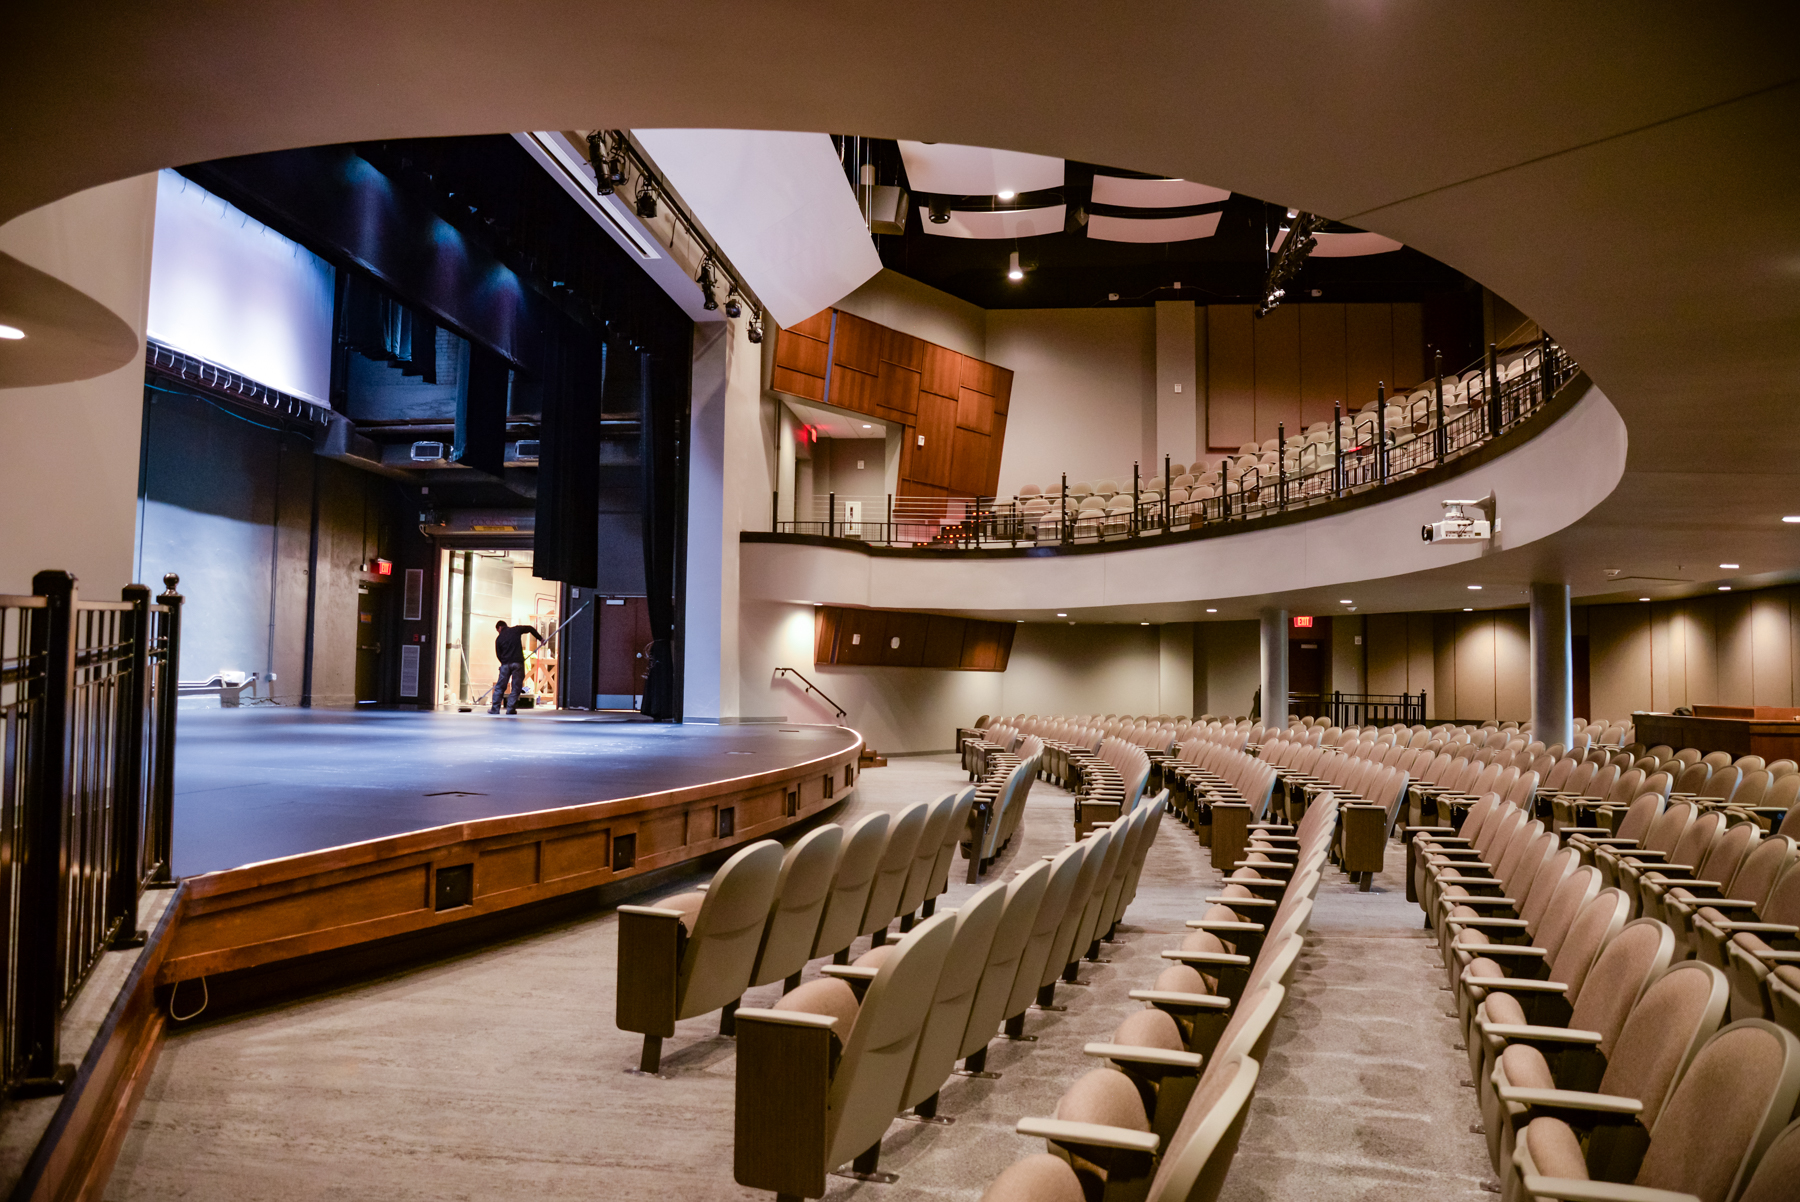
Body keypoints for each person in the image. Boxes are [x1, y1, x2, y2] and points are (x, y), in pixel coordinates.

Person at [489, 619, 546, 714]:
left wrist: (503, 664)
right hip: (518, 663)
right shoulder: (516, 630)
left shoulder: (499, 639)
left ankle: (495, 709)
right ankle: (510, 709)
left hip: (506, 665)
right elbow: (530, 628)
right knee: (516, 687)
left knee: (500, 687)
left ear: (499, 628)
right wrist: (541, 639)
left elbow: (498, 654)